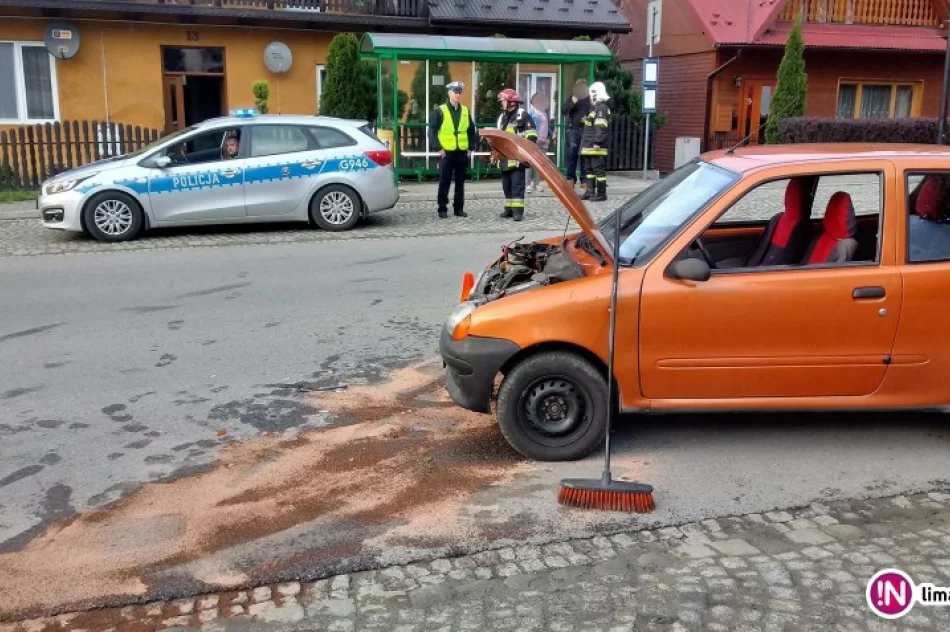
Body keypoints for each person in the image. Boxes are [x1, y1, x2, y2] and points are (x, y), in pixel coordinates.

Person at [429, 80, 478, 218]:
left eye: (459, 92)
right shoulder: (441, 111)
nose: (457, 95)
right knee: (444, 182)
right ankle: (442, 209)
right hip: (447, 152)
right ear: (449, 93)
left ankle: (458, 208)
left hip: (461, 152)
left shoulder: (465, 111)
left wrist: (471, 147)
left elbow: (471, 130)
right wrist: (438, 148)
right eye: (455, 92)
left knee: (460, 183)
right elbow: (432, 130)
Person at [495, 88, 538, 221]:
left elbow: (532, 135)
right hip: (504, 158)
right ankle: (508, 210)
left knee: (517, 186)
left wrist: (524, 152)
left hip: (518, 159)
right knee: (506, 186)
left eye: (503, 100)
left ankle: (518, 212)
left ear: (511, 102)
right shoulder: (502, 117)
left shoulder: (522, 115)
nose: (501, 103)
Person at [580, 81, 610, 202]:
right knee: (589, 170)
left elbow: (601, 126)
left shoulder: (601, 108)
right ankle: (590, 191)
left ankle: (601, 193)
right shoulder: (596, 108)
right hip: (588, 146)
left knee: (598, 170)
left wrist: (598, 142)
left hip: (595, 146)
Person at [564, 79, 591, 193]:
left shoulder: (589, 98)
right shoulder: (572, 97)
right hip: (573, 130)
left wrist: (588, 118)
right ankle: (571, 179)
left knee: (584, 155)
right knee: (572, 155)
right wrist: (573, 102)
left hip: (585, 129)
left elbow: (593, 110)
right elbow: (564, 110)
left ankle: (584, 180)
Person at [527, 92, 551, 193]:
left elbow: (546, 125)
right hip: (534, 141)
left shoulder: (544, 112)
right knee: (529, 163)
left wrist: (550, 134)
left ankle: (537, 183)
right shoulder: (530, 114)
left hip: (543, 141)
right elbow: (530, 127)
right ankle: (528, 184)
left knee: (540, 164)